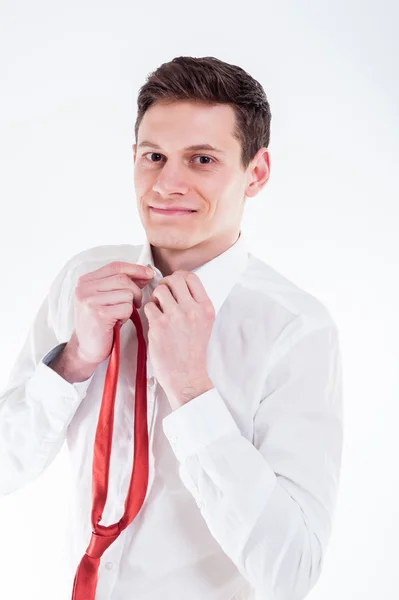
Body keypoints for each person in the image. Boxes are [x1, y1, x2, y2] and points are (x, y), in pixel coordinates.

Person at [0, 56, 343, 600]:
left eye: (202, 159)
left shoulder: (294, 330)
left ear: (255, 173)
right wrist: (72, 364)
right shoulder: (82, 282)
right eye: (153, 156)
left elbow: (291, 572)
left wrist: (191, 389)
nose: (167, 184)